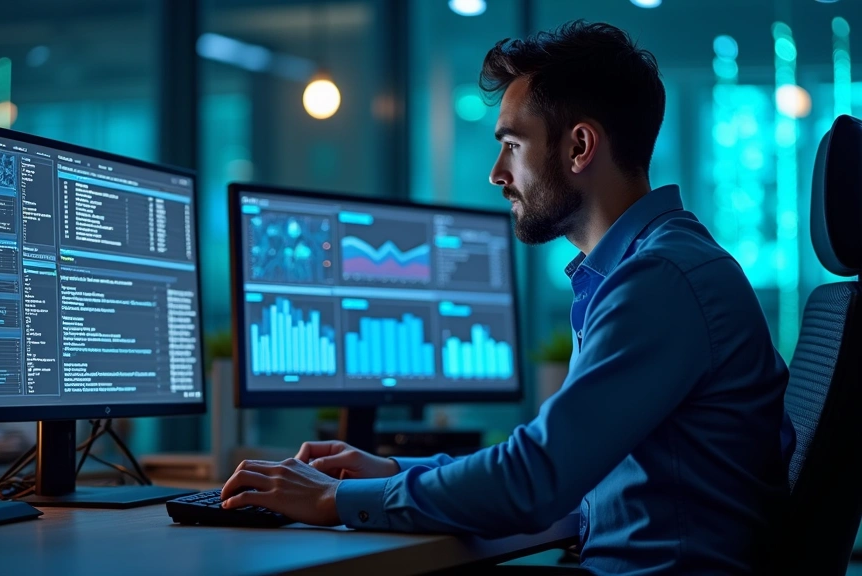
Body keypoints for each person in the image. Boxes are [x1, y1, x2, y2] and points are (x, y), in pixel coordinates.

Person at [220, 20, 792, 574]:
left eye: (513, 144)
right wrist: (391, 470)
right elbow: (558, 466)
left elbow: (534, 480)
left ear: (580, 147)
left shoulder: (659, 280)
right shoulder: (650, 267)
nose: (497, 173)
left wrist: (333, 502)